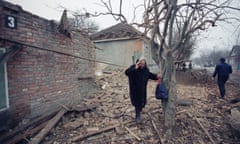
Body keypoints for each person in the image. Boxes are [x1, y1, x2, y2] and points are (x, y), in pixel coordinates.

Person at [125, 58, 158, 123]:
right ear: (138, 63)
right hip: (135, 90)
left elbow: (151, 75)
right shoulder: (133, 69)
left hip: (143, 90)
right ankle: (138, 116)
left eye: (143, 63)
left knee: (142, 103)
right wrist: (135, 67)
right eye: (141, 63)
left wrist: (157, 76)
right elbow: (127, 72)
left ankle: (139, 111)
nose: (142, 65)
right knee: (137, 103)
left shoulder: (146, 70)